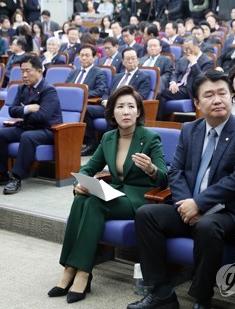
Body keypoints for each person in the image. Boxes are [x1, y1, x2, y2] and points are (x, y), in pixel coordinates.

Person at [127, 70, 235, 309]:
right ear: (197, 103)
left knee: (207, 225)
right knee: (146, 214)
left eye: (222, 93)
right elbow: (176, 171)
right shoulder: (190, 129)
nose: (218, 99)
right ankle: (161, 293)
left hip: (226, 213)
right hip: (187, 205)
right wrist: (185, 204)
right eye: (209, 95)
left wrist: (199, 204)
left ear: (231, 96)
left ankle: (202, 298)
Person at [48, 85, 168, 303]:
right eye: (120, 106)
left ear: (138, 112)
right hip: (117, 193)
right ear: (112, 112)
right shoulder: (109, 138)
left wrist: (151, 169)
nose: (126, 111)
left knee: (94, 203)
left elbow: (164, 178)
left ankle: (82, 273)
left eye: (131, 106)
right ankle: (68, 269)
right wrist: (79, 183)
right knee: (82, 198)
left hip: (139, 198)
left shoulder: (151, 138)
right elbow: (88, 168)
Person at [0, 55, 62, 194]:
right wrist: (28, 108)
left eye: (28, 71)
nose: (24, 75)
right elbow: (12, 111)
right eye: (22, 71)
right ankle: (1, 174)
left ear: (39, 71)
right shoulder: (22, 88)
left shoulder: (48, 90)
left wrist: (22, 113)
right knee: (1, 134)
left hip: (47, 130)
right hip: (28, 126)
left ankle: (16, 178)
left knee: (27, 137)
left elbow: (43, 116)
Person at [81, 47, 151, 156]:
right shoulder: (117, 76)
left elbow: (141, 96)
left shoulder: (144, 77)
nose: (130, 61)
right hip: (109, 106)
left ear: (138, 60)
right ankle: (91, 144)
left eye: (133, 58)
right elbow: (107, 92)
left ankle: (108, 149)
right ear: (123, 61)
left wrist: (119, 105)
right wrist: (105, 100)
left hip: (125, 109)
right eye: (127, 59)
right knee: (87, 110)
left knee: (114, 115)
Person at [157, 36, 214, 120]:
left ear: (198, 47)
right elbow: (174, 73)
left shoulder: (207, 61)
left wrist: (194, 63)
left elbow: (203, 79)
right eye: (185, 49)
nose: (187, 52)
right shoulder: (183, 59)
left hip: (191, 90)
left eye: (190, 49)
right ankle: (162, 120)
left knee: (161, 92)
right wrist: (173, 83)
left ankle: (158, 120)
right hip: (179, 87)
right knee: (161, 93)